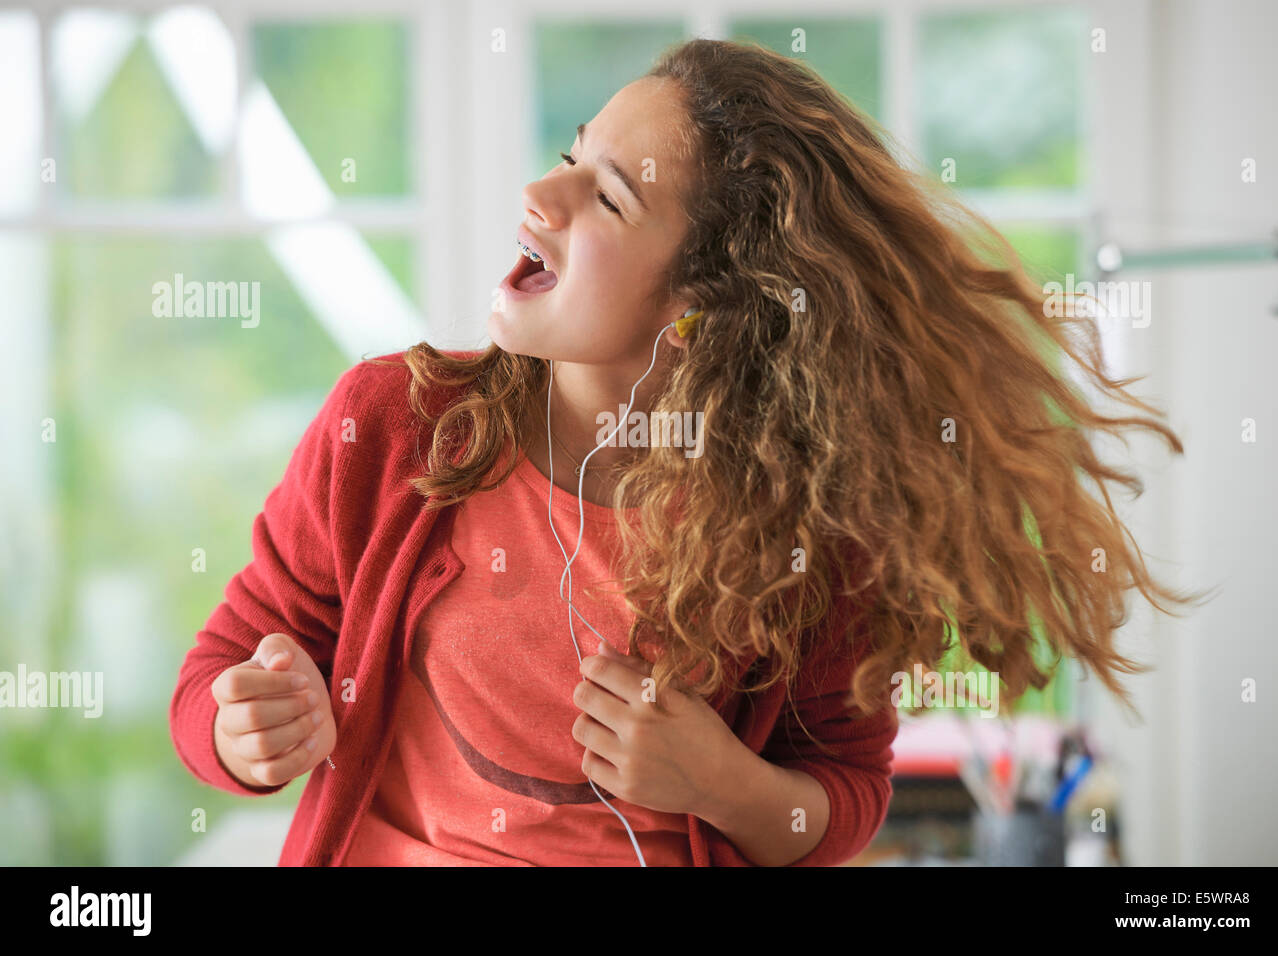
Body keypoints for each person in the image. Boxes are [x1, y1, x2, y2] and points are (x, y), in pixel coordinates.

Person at [170, 38, 1210, 867]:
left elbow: (842, 801)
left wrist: (720, 782)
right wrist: (238, 729)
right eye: (573, 155)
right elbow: (219, 672)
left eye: (607, 196)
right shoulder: (391, 424)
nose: (542, 194)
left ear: (702, 304)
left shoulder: (806, 525)